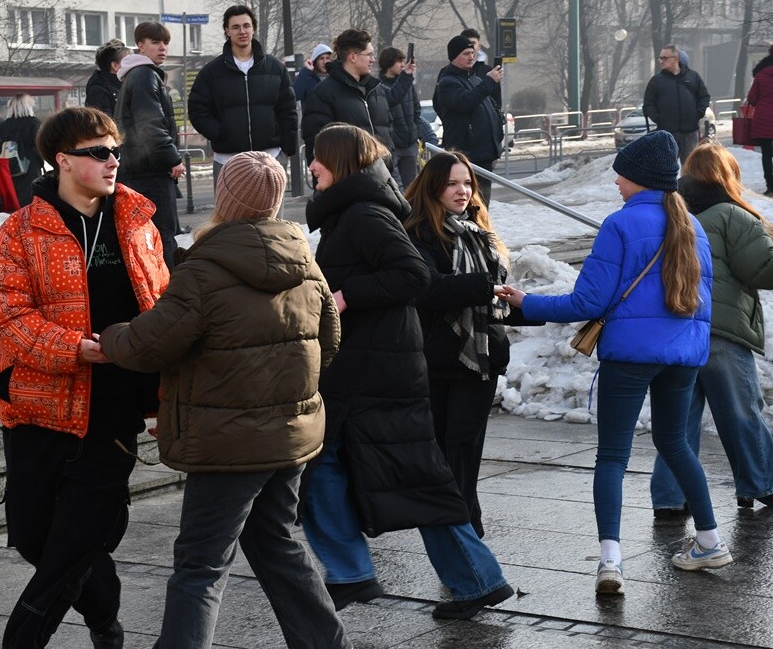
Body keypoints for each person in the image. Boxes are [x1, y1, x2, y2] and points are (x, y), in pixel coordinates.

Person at [100, 151, 351, 649]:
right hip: (289, 437)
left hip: (227, 443)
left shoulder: (204, 270)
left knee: (200, 565)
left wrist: (108, 336)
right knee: (277, 544)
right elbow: (330, 340)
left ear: (225, 199)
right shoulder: (304, 261)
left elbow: (148, 344)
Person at [499, 131, 730, 596]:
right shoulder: (693, 226)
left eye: (621, 175)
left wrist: (527, 303)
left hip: (629, 355)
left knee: (612, 457)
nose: (616, 183)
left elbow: (589, 299)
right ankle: (709, 540)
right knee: (676, 444)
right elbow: (704, 301)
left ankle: (610, 561)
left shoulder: (619, 226)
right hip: (683, 357)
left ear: (639, 178)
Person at [303, 124, 515, 620]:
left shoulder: (362, 214)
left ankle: (353, 572)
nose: (311, 167)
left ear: (338, 161)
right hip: (375, 364)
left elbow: (412, 275)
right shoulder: (355, 212)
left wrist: (345, 296)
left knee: (321, 463)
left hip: (372, 368)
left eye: (316, 158)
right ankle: (473, 580)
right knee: (411, 476)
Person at [0, 106, 168, 649]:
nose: (114, 161)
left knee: (75, 541)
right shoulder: (19, 231)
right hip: (39, 402)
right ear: (62, 160)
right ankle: (104, 606)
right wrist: (74, 349)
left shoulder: (138, 223)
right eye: (99, 152)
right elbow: (8, 316)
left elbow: (164, 303)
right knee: (36, 537)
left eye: (116, 150)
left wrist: (163, 392)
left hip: (115, 406)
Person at [404, 150, 538, 538]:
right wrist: (485, 287)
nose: (462, 191)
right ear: (433, 188)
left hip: (481, 359)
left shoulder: (478, 232)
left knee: (465, 450)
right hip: (438, 357)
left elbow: (495, 303)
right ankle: (461, 532)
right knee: (444, 453)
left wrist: (536, 307)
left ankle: (465, 530)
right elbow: (427, 289)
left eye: (467, 183)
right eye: (452, 184)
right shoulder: (417, 233)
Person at [650, 141, 773, 514]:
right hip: (720, 331)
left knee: (680, 419)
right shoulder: (732, 215)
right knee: (741, 411)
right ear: (727, 175)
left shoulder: (672, 211)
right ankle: (762, 482)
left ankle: (671, 497)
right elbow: (761, 269)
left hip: (677, 329)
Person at [188, 5, 297, 185]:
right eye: (236, 27)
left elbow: (288, 109)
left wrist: (287, 149)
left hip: (270, 159)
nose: (242, 31)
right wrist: (221, 133)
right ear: (227, 31)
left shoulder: (275, 68)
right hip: (228, 160)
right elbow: (197, 110)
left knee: (271, 214)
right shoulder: (211, 72)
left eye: (246, 25)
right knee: (232, 214)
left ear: (253, 28)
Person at [115, 21, 185, 269]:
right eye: (155, 42)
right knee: (162, 240)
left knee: (148, 240)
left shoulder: (137, 76)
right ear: (140, 46)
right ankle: (169, 300)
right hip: (150, 172)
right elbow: (150, 125)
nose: (163, 47)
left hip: (139, 170)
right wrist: (173, 158)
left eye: (165, 42)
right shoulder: (145, 76)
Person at [301, 29, 412, 169]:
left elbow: (386, 127)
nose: (373, 59)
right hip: (346, 184)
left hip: (382, 178)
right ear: (352, 57)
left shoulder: (376, 89)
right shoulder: (323, 94)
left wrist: (388, 160)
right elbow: (317, 146)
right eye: (369, 54)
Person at [434, 35, 504, 207]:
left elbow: (488, 104)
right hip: (468, 154)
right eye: (466, 53)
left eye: (473, 53)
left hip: (485, 153)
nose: (471, 57)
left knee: (482, 203)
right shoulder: (447, 82)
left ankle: (480, 232)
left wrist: (497, 119)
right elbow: (464, 102)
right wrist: (488, 82)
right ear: (454, 56)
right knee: (471, 203)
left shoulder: (474, 79)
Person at [643, 44, 710, 165]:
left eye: (664, 58)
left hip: (690, 132)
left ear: (675, 59)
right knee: (667, 169)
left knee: (690, 169)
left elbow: (704, 97)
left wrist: (698, 113)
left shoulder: (693, 76)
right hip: (667, 133)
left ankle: (686, 185)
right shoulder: (656, 81)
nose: (661, 61)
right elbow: (648, 104)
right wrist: (659, 119)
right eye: (660, 58)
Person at [378, 46, 422, 188]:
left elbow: (416, 110)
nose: (403, 65)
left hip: (410, 144)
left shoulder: (408, 85)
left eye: (403, 60)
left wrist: (415, 131)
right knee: (396, 187)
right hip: (393, 146)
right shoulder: (378, 87)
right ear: (388, 63)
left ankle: (413, 211)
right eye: (399, 61)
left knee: (412, 187)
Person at [0, 93, 44, 206]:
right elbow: (39, 145)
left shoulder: (5, 124)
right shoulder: (33, 122)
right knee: (31, 201)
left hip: (10, 166)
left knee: (17, 202)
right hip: (31, 166)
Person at [747, 44, 773, 196]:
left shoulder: (761, 74)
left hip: (763, 118)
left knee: (767, 153)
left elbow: (752, 98)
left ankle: (770, 186)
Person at [85, 38, 130, 118]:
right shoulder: (98, 90)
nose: (132, 65)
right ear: (115, 66)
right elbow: (104, 126)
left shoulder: (123, 85)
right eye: (128, 61)